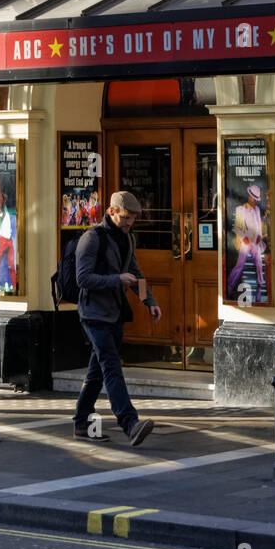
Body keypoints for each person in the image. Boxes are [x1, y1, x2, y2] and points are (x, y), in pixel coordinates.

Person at [74, 190, 161, 446]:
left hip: (115, 313)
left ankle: (81, 421)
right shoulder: (92, 238)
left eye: (133, 218)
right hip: (93, 313)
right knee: (111, 366)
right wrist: (117, 279)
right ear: (111, 211)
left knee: (98, 370)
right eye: (125, 217)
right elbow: (83, 279)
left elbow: (134, 272)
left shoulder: (128, 239)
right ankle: (130, 423)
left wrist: (149, 301)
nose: (129, 223)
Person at [226, 183, 266, 301]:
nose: (255, 201)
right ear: (249, 197)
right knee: (240, 263)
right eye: (253, 198)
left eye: (256, 199)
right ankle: (230, 284)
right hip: (245, 240)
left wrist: (259, 236)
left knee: (259, 261)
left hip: (255, 241)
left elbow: (258, 226)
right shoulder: (240, 209)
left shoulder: (257, 210)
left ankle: (260, 282)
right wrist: (245, 239)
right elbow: (238, 228)